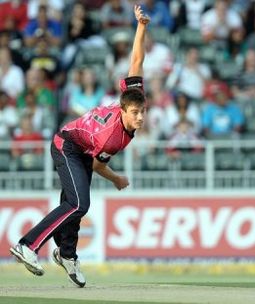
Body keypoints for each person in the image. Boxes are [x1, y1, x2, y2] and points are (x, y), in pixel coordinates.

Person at [9, 5, 150, 288]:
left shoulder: (131, 97)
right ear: (123, 110)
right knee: (77, 203)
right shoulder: (112, 136)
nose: (141, 118)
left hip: (82, 148)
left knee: (75, 204)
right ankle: (28, 245)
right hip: (67, 145)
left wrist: (142, 27)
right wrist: (117, 179)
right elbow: (99, 164)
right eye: (135, 114)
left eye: (142, 112)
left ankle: (67, 254)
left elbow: (136, 60)